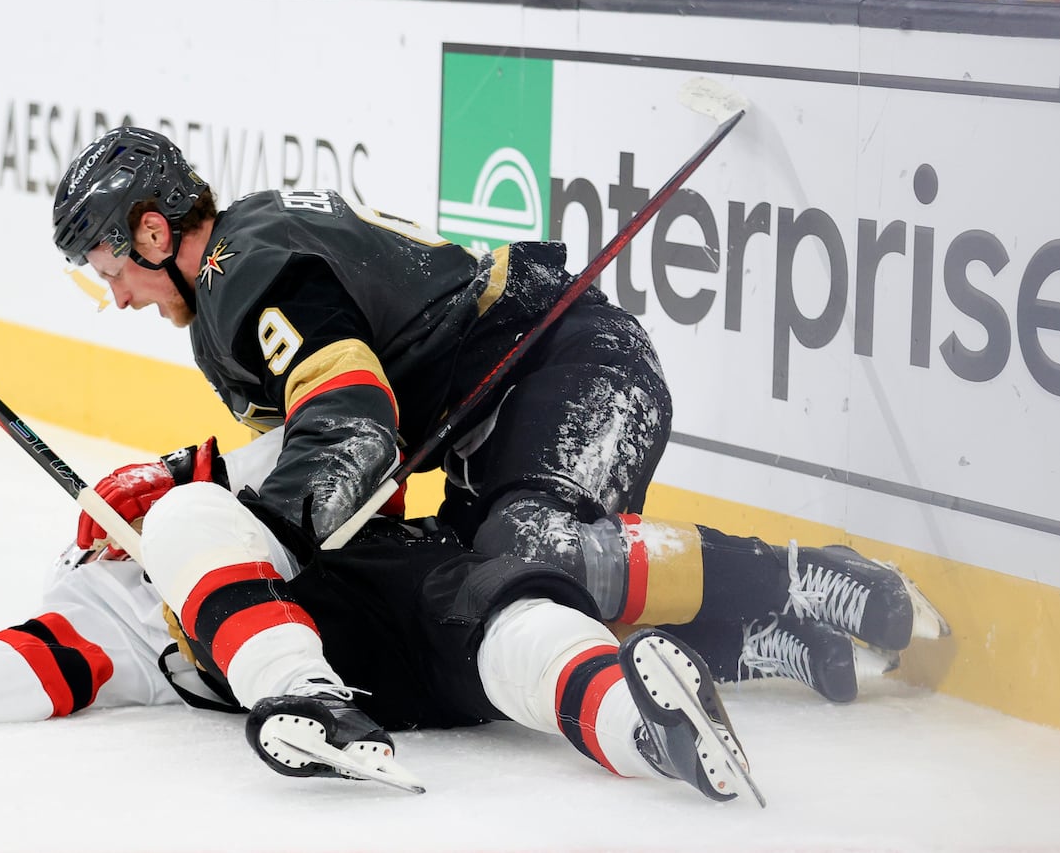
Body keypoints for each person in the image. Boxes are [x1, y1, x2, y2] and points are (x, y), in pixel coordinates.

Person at [49, 126, 948, 707]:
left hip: (566, 362)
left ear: (154, 232)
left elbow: (352, 423)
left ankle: (795, 574)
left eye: (110, 266)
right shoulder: (231, 289)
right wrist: (185, 476)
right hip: (504, 407)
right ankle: (753, 634)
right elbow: (338, 450)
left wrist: (260, 550)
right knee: (492, 594)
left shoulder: (242, 275)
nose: (117, 295)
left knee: (535, 552)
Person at [0, 477, 761, 802]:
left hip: (386, 600)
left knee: (524, 632)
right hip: (358, 658)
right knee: (511, 637)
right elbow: (2, 669)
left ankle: (652, 729)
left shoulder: (219, 499)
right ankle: (309, 698)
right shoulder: (99, 608)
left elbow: (336, 463)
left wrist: (177, 465)